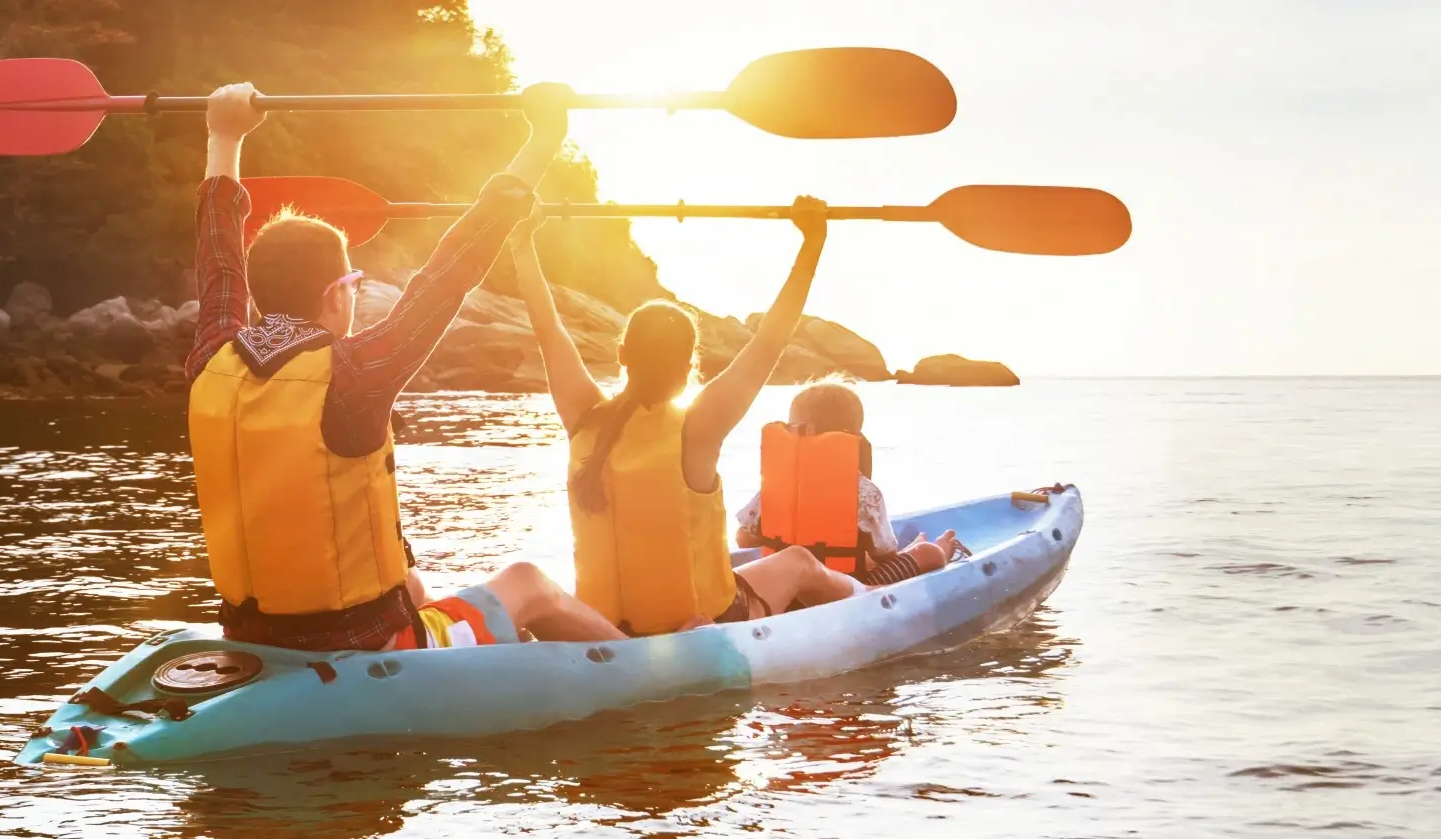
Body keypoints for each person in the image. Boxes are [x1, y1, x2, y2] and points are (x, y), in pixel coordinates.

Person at [185, 81, 624, 651]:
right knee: (529, 582)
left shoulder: (212, 357)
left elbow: (217, 256)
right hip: (367, 645)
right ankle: (649, 667)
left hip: (256, 636)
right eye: (353, 282)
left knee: (413, 581)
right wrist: (546, 139)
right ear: (336, 293)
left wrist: (223, 135)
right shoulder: (354, 374)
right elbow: (453, 268)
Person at [506, 201, 868, 636]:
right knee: (799, 561)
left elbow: (549, 331)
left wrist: (522, 243)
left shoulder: (583, 416)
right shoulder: (698, 429)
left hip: (598, 627)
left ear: (622, 355)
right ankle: (875, 603)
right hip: (703, 625)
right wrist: (813, 242)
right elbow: (770, 341)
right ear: (688, 366)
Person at [734, 380, 964, 587]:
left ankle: (914, 547)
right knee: (926, 553)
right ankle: (938, 550)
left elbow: (743, 539)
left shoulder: (775, 485)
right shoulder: (865, 492)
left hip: (780, 587)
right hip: (844, 589)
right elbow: (885, 554)